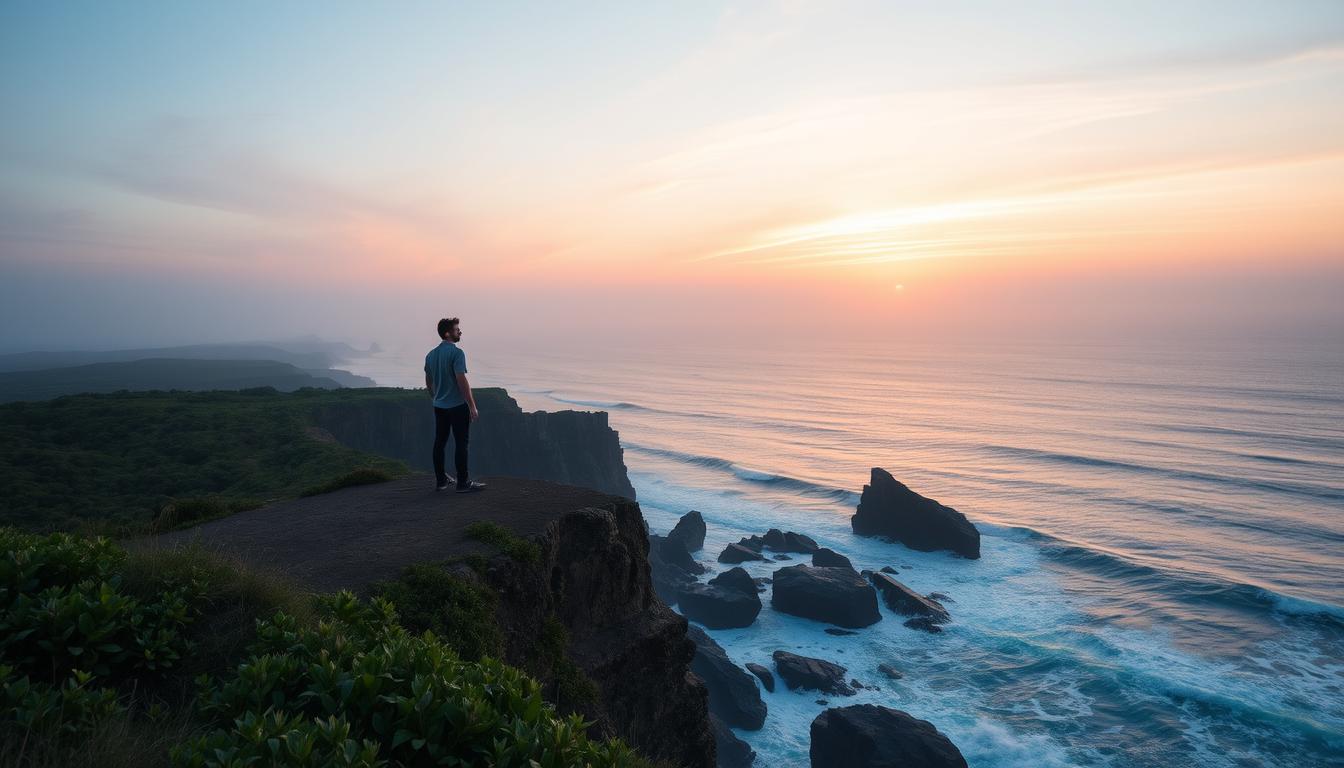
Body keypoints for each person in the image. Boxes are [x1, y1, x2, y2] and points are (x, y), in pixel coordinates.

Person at [425, 317, 485, 493]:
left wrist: (434, 396)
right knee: (461, 443)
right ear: (447, 333)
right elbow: (462, 380)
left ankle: (441, 481)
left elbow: (428, 379)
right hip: (457, 406)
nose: (460, 332)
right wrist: (472, 405)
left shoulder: (431, 355)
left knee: (439, 442)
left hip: (439, 406)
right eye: (457, 329)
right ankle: (463, 483)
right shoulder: (457, 353)